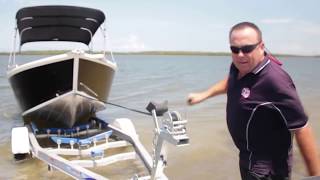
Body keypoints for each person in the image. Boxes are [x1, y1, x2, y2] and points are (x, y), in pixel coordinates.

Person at [187, 22, 320, 180]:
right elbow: (231, 81)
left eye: (247, 48)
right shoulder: (239, 65)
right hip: (246, 157)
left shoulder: (275, 81)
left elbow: (302, 127)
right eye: (234, 49)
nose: (240, 54)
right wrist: (203, 95)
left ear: (261, 46)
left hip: (266, 170)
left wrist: (315, 175)